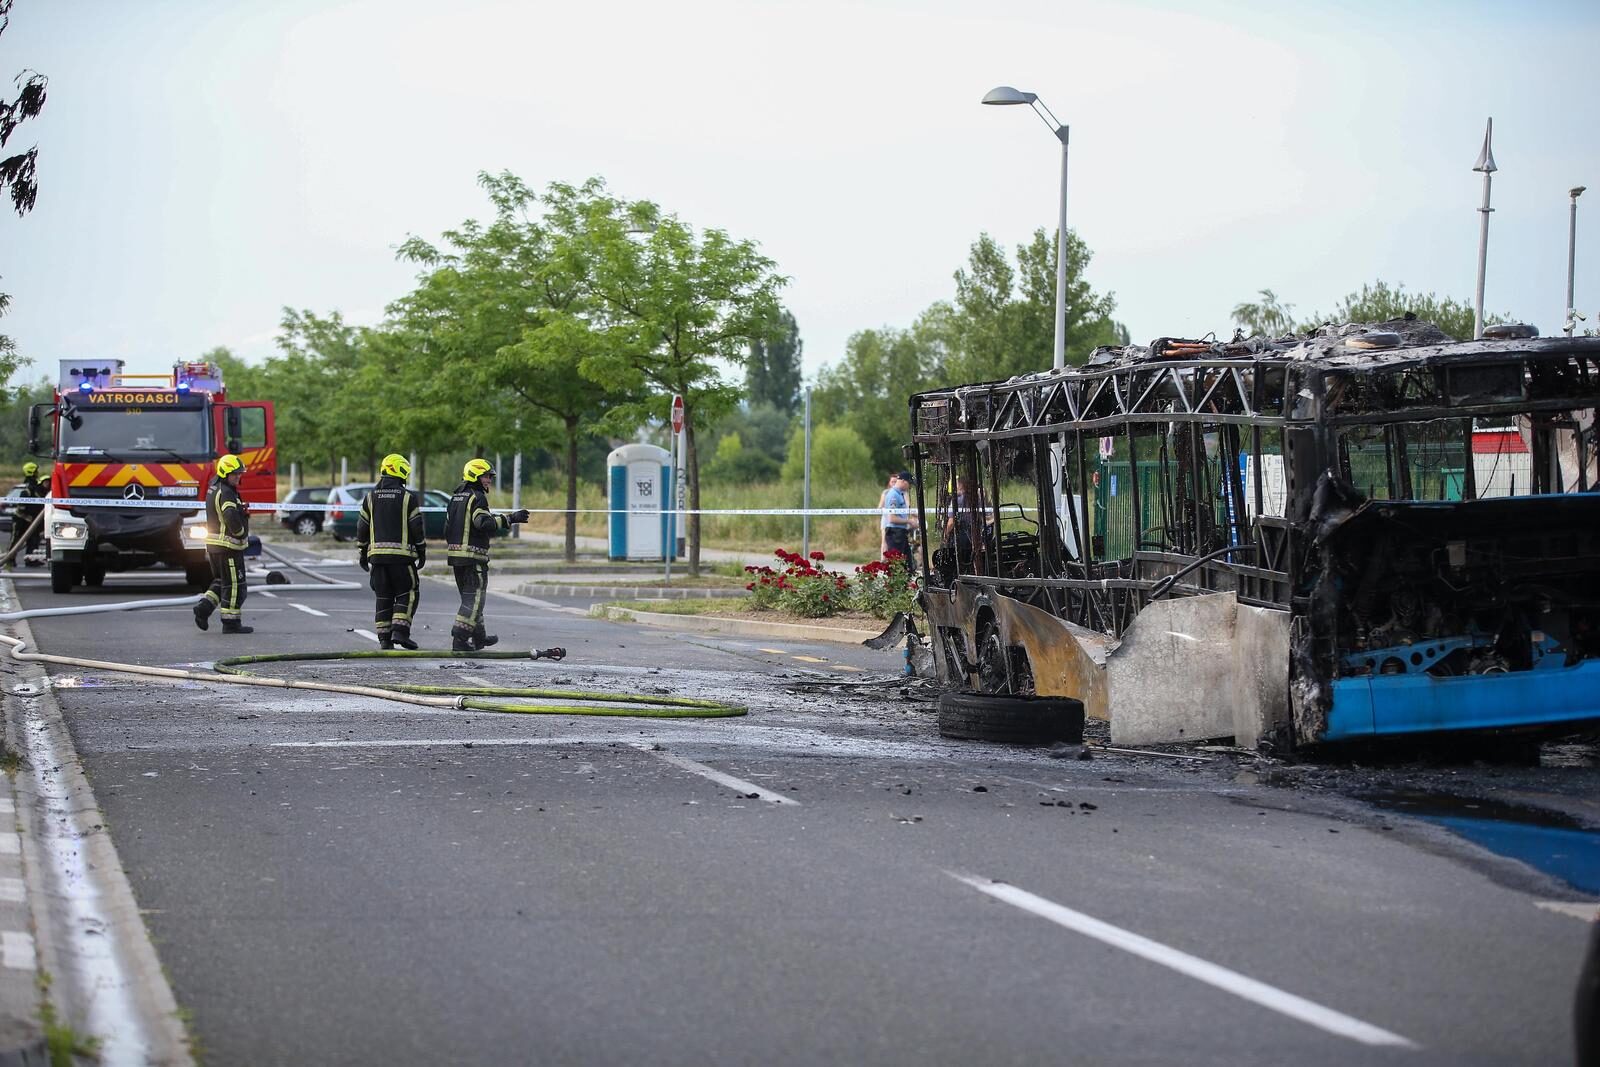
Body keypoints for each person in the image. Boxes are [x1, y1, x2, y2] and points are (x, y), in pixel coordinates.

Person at [445, 458, 528, 652]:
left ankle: (479, 637)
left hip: (457, 558)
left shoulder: (456, 497)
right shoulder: (477, 497)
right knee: (474, 599)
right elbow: (483, 523)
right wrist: (510, 519)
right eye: (486, 476)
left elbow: (446, 528)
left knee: (471, 600)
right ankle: (460, 638)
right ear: (475, 475)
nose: (489, 480)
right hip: (473, 558)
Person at [356, 453, 425, 650]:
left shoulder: (370, 498)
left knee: (383, 596)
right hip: (402, 559)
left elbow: (362, 527)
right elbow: (416, 526)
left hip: (377, 559)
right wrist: (422, 550)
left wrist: (362, 551)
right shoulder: (407, 498)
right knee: (409, 592)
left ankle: (384, 639)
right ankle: (400, 632)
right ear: (400, 471)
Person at [194, 454, 252, 634]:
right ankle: (231, 623)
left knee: (221, 582)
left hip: (214, 546)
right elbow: (229, 515)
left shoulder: (215, 487)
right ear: (225, 473)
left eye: (239, 474)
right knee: (236, 585)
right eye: (235, 474)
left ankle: (203, 609)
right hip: (228, 547)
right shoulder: (226, 492)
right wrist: (241, 532)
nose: (238, 477)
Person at [6, 460, 47, 567]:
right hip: (21, 519)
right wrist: (27, 517)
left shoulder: (35, 488)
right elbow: (21, 508)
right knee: (16, 539)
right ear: (33, 472)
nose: (38, 473)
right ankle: (9, 559)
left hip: (32, 519)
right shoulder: (26, 489)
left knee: (34, 539)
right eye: (36, 471)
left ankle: (31, 559)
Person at [880, 470, 918, 566]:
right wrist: (909, 521)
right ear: (904, 481)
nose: (909, 487)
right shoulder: (893, 495)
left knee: (908, 564)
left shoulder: (900, 494)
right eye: (909, 484)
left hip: (900, 533)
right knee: (897, 564)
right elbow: (892, 518)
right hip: (895, 533)